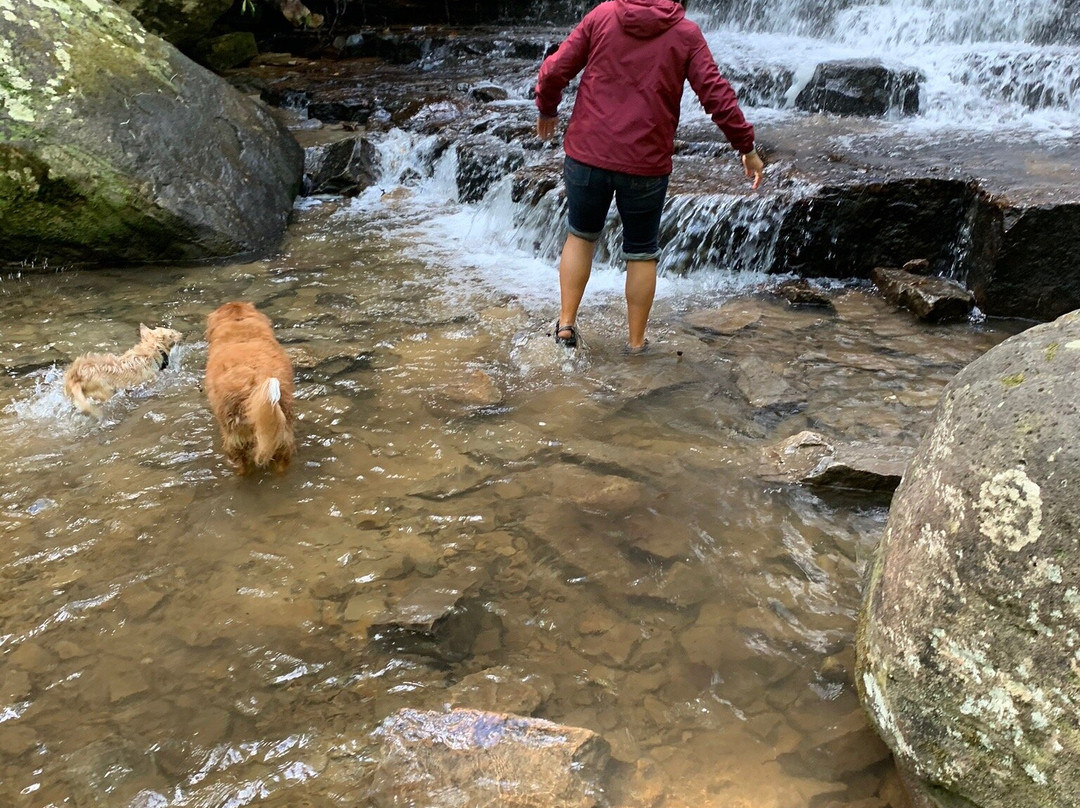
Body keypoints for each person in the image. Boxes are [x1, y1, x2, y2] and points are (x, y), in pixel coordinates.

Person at [535, 0, 764, 352]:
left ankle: (566, 324)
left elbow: (554, 70)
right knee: (641, 252)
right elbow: (715, 94)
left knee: (581, 236)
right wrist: (745, 146)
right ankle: (636, 344)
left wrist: (547, 106)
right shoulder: (685, 33)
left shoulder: (603, 15)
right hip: (645, 162)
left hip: (588, 153)